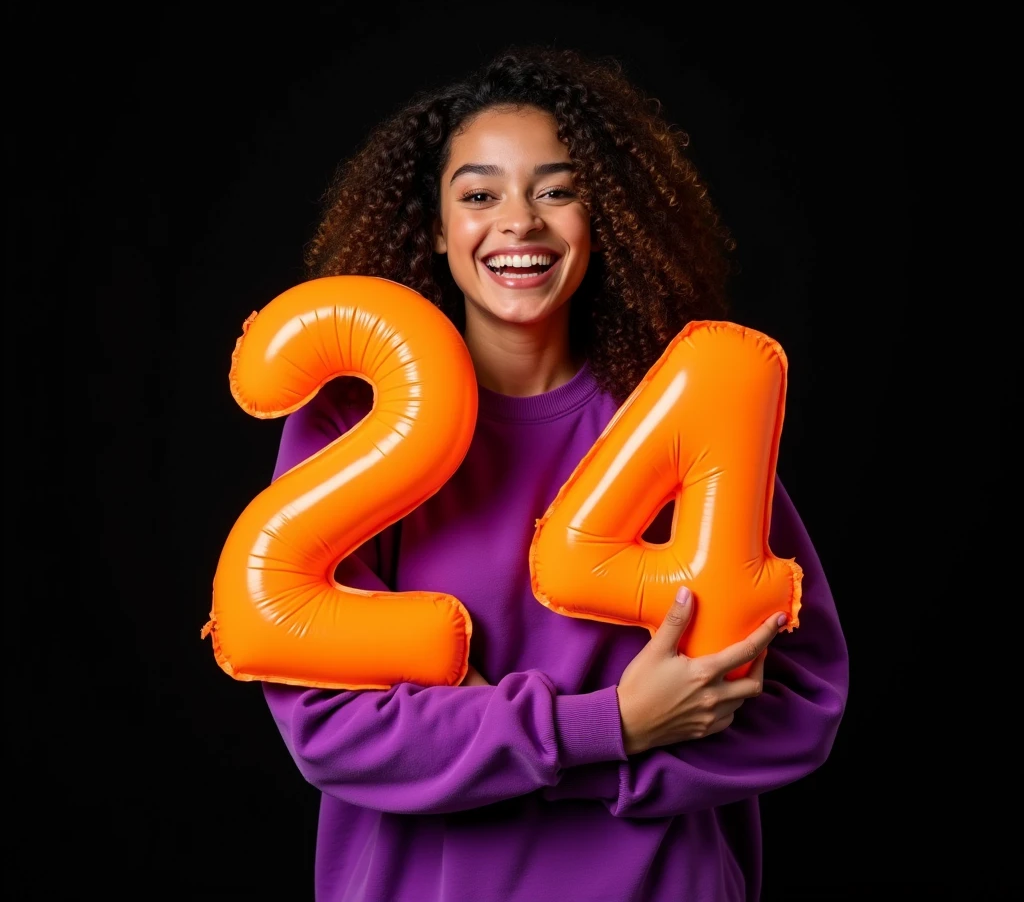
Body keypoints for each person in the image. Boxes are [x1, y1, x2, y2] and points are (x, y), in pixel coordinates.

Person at [259, 45, 849, 902]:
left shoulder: (682, 414)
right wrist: (608, 727)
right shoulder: (351, 424)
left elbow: (801, 701)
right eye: (478, 194)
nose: (519, 222)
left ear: (600, 215)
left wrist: (571, 752)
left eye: (557, 189)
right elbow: (327, 730)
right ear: (434, 226)